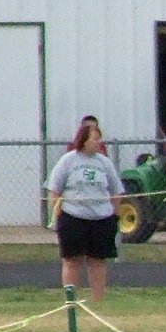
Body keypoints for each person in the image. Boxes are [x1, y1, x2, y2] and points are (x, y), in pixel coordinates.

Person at [46, 119, 123, 306]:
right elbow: (55, 189)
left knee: (98, 261)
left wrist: (114, 214)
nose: (99, 143)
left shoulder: (104, 163)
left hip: (101, 218)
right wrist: (57, 213)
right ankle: (71, 302)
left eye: (100, 139)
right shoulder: (68, 160)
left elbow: (117, 190)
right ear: (84, 140)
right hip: (73, 217)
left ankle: (98, 302)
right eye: (95, 139)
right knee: (72, 261)